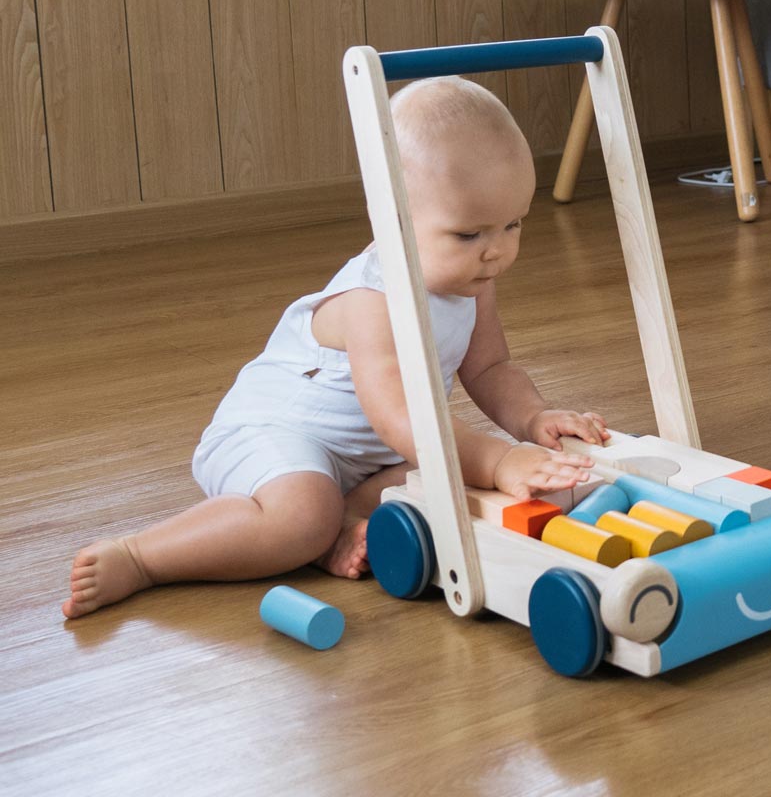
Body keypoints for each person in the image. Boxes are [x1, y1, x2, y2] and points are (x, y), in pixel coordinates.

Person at [62, 76, 608, 619]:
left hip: (367, 462)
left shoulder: (470, 280)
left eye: (513, 224)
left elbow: (490, 366)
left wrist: (532, 419)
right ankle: (143, 557)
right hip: (271, 436)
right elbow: (402, 418)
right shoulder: (373, 300)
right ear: (391, 218)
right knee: (304, 513)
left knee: (436, 485)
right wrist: (499, 459)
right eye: (469, 235)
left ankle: (333, 530)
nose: (496, 253)